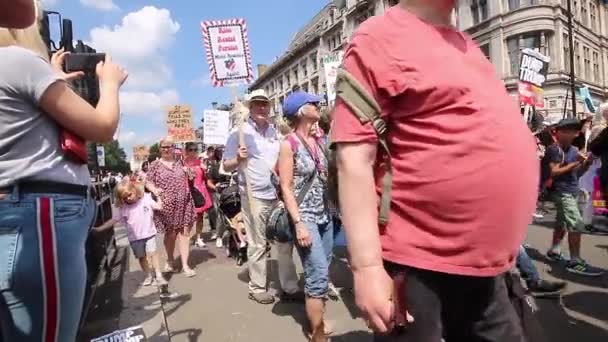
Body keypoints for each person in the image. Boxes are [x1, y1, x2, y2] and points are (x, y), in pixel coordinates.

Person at [332, 1, 538, 340]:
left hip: (489, 270)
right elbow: (354, 158)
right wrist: (367, 268)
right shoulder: (377, 37)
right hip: (419, 267)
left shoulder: (466, 45)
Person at [0, 3, 127, 341]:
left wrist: (50, 77)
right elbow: (103, 126)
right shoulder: (16, 61)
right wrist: (110, 83)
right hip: (40, 215)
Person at [223, 89, 302, 304]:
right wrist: (238, 159)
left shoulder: (275, 132)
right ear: (250, 107)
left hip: (277, 195)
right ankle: (257, 287)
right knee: (258, 243)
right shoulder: (238, 132)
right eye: (257, 104)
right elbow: (225, 165)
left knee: (284, 240)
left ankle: (289, 285)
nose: (262, 108)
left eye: (265, 104)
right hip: (254, 194)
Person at [278, 91, 334, 341]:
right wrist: (298, 223)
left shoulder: (319, 140)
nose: (317, 105)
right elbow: (286, 187)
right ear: (301, 111)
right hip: (306, 217)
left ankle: (318, 316)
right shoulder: (288, 143)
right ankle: (317, 332)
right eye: (312, 103)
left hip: (325, 215)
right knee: (318, 273)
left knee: (324, 269)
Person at [545, 118, 603, 276]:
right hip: (561, 192)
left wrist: (585, 165)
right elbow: (554, 172)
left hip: (572, 189)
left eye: (570, 131)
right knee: (576, 224)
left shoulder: (574, 150)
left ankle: (554, 251)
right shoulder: (554, 149)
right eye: (563, 131)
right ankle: (575, 261)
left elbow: (576, 175)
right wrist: (575, 162)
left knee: (562, 222)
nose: (566, 134)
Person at [95, 182, 168, 286]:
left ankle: (159, 275)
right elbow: (113, 220)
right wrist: (99, 229)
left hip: (149, 234)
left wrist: (158, 196)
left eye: (130, 195)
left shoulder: (145, 199)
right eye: (124, 197)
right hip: (135, 238)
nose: (128, 198)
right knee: (141, 257)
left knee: (153, 254)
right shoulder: (123, 208)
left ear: (134, 191)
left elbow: (159, 207)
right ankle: (148, 275)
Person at [147, 137, 197, 277]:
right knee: (171, 234)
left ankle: (186, 265)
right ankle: (170, 259)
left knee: (185, 233)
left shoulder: (180, 162)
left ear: (174, 147)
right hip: (167, 204)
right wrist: (155, 190)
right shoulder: (155, 165)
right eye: (164, 147)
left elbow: (191, 178)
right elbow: (148, 182)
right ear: (160, 149)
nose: (166, 149)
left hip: (184, 202)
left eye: (169, 146)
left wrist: (190, 173)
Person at [184, 142, 213, 248]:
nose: (193, 152)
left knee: (200, 217)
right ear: (186, 151)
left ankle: (198, 237)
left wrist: (206, 170)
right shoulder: (182, 164)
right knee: (188, 218)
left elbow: (206, 178)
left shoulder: (200, 163)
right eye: (190, 150)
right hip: (189, 193)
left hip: (200, 193)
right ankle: (185, 236)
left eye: (195, 149)